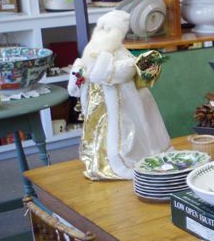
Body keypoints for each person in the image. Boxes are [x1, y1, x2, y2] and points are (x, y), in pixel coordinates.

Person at [68, 10, 170, 180]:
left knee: (126, 134)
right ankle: (103, 163)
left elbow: (117, 72)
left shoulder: (117, 53)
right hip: (100, 106)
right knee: (102, 134)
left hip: (122, 104)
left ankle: (119, 161)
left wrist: (132, 65)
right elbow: (89, 78)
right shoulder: (93, 53)